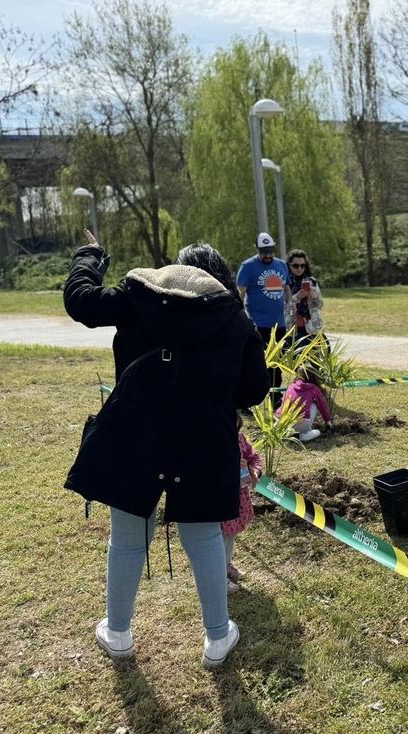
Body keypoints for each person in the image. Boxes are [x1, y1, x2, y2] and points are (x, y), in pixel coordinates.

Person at [63, 230, 270, 668]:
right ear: (219, 275)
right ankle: (217, 637)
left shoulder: (140, 294)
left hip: (135, 432)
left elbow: (81, 301)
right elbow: (255, 388)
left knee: (127, 538)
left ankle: (117, 632)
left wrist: (92, 254)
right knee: (204, 536)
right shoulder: (233, 317)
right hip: (203, 440)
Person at [236, 232, 290, 406]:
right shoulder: (248, 266)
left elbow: (287, 290)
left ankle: (275, 398)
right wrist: (240, 317)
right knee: (256, 363)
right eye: (263, 251)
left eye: (269, 251)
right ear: (257, 249)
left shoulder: (282, 265)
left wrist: (292, 306)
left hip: (279, 324)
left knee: (277, 363)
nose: (267, 255)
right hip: (258, 324)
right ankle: (249, 400)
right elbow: (240, 294)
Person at [223, 414, 262, 594]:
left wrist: (255, 470)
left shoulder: (240, 439)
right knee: (218, 537)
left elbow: (253, 457)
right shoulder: (208, 443)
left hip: (238, 496)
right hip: (218, 497)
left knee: (231, 533)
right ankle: (218, 575)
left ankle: (226, 563)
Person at [280, 364, 333, 443]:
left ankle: (286, 432)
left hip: (285, 422)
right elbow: (323, 406)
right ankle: (304, 434)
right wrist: (328, 421)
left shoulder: (291, 386)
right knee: (314, 405)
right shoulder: (314, 388)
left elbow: (283, 404)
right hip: (302, 424)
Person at [285, 249, 324, 343]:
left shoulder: (312, 281)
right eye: (295, 266)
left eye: (302, 266)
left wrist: (314, 297)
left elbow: (320, 305)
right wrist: (296, 297)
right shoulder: (284, 283)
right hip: (292, 327)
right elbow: (283, 306)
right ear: (289, 265)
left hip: (311, 327)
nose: (299, 269)